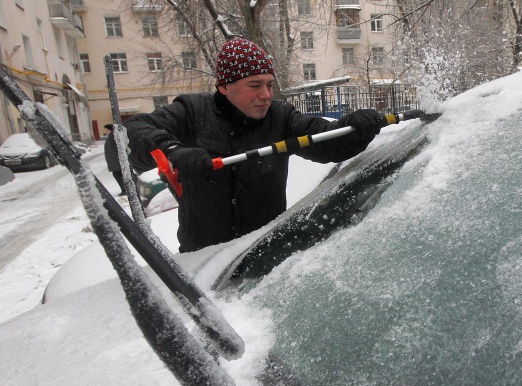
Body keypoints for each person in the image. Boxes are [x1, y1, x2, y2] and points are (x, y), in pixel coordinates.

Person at [125, 38, 385, 253]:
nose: (266, 95)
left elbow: (325, 140)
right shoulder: (193, 113)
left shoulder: (280, 118)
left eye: (270, 85)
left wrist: (354, 128)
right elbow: (132, 133)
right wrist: (173, 151)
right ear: (225, 86)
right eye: (255, 85)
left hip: (266, 256)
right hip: (204, 264)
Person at [103, 124, 126, 196]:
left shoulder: (114, 137)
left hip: (117, 161)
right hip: (114, 161)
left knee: (119, 175)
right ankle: (126, 189)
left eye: (106, 130)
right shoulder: (111, 137)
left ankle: (125, 190)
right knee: (120, 175)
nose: (105, 132)